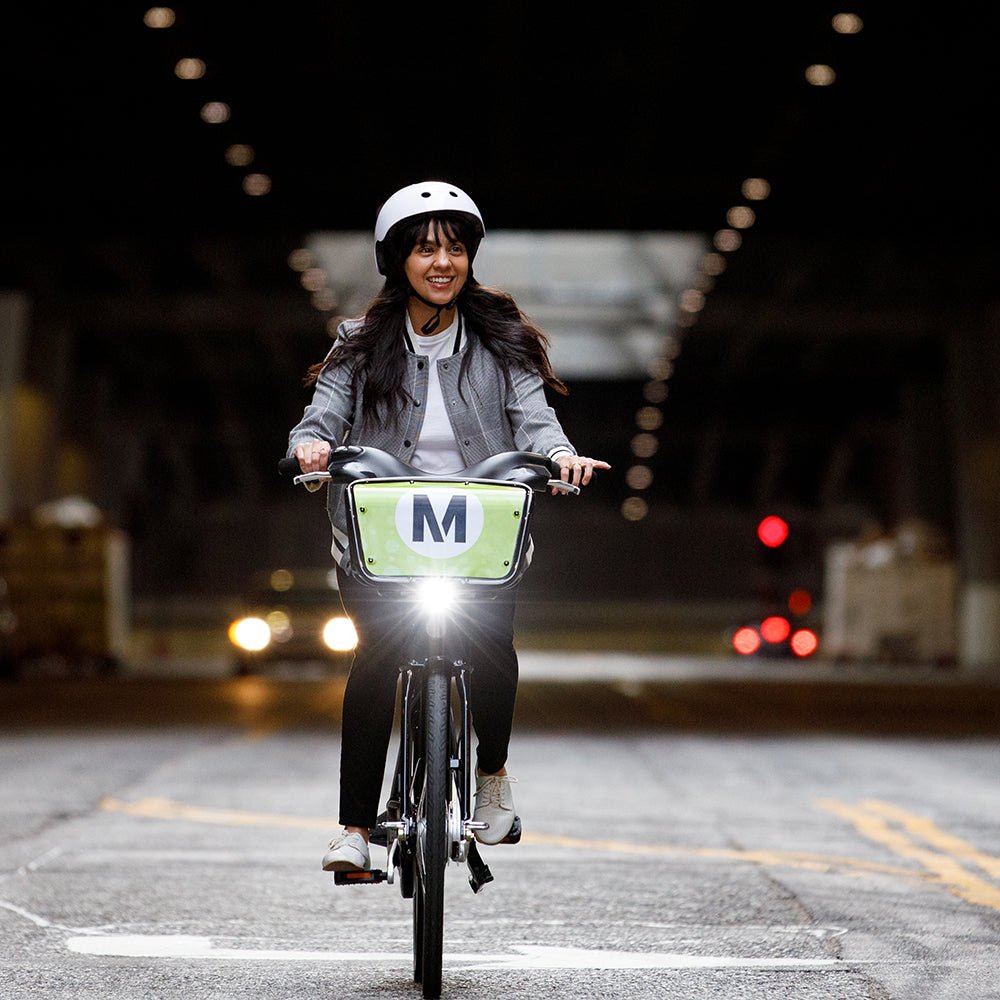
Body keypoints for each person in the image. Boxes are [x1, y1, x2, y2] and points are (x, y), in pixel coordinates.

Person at [287, 180, 609, 872]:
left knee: (493, 641)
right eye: (425, 247)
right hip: (382, 535)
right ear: (396, 258)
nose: (442, 262)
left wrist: (559, 456)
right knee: (376, 654)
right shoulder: (359, 344)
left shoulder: (504, 344)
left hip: (479, 529)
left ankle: (491, 778)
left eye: (455, 248)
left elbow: (535, 416)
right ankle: (354, 830)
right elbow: (320, 418)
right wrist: (313, 448)